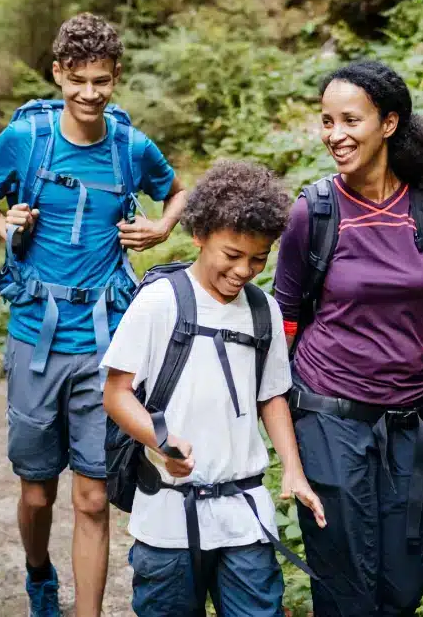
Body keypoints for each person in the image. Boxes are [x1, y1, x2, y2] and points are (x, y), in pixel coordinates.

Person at [0, 12, 188, 617]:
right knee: (37, 494)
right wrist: (4, 222)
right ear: (59, 73)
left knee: (92, 497)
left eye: (102, 81)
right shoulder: (26, 141)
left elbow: (178, 191)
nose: (89, 94)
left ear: (116, 77)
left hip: (106, 340)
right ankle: (40, 573)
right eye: (78, 80)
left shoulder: (130, 147)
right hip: (35, 332)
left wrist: (161, 227)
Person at [272, 60, 423, 616]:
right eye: (326, 121)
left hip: (410, 424)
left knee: (404, 584)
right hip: (328, 416)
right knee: (347, 587)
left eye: (350, 120)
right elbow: (282, 328)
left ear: (389, 124)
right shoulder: (313, 212)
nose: (335, 135)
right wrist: (284, 448)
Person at [101, 159, 326, 617]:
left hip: (244, 513)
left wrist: (293, 469)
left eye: (259, 257)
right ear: (199, 236)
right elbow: (116, 393)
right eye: (232, 255)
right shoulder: (161, 301)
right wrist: (160, 440)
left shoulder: (262, 309)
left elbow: (272, 397)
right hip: (167, 516)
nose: (245, 270)